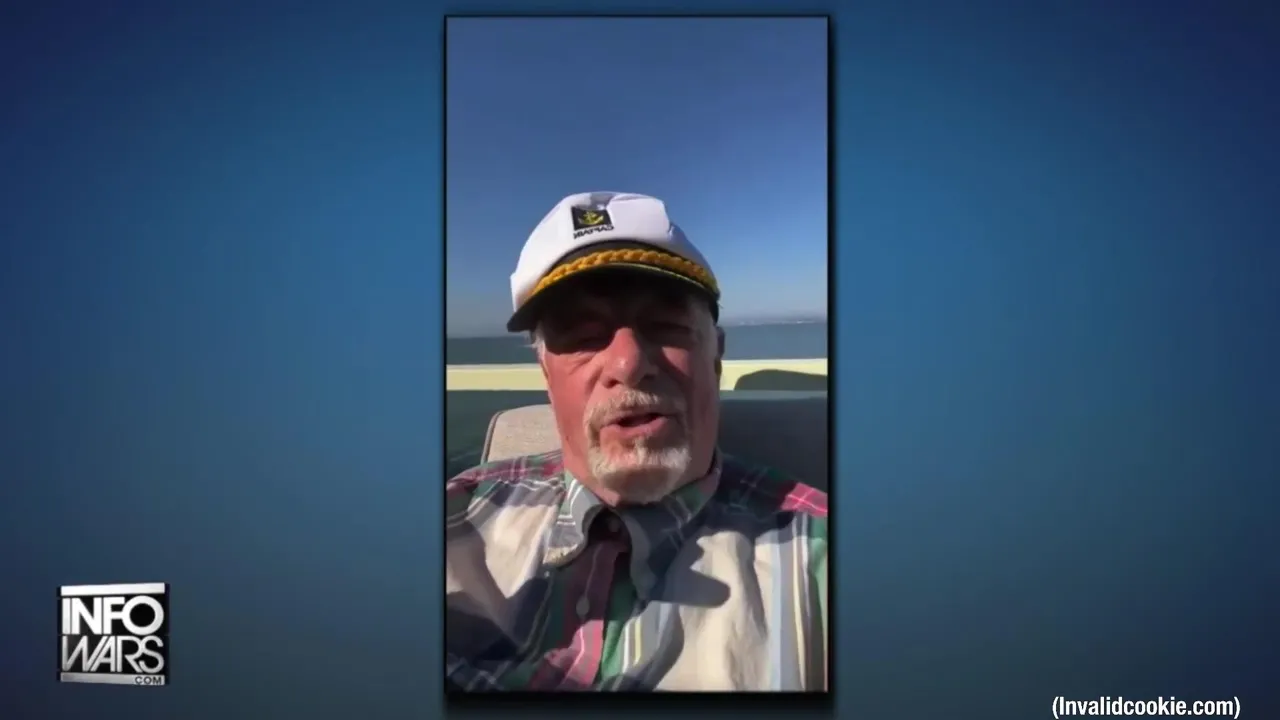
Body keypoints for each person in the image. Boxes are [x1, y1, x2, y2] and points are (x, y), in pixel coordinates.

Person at [445, 191, 828, 691]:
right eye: (583, 336)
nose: (628, 364)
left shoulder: (819, 558)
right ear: (546, 375)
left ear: (716, 359)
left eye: (666, 326)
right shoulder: (458, 514)